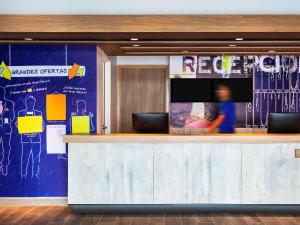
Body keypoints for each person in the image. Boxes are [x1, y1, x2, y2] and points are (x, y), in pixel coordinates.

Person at [0, 86, 15, 176]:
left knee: (6, 147)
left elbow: (12, 117)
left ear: (3, 93)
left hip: (6, 129)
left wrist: (5, 121)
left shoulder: (9, 103)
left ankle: (5, 165)